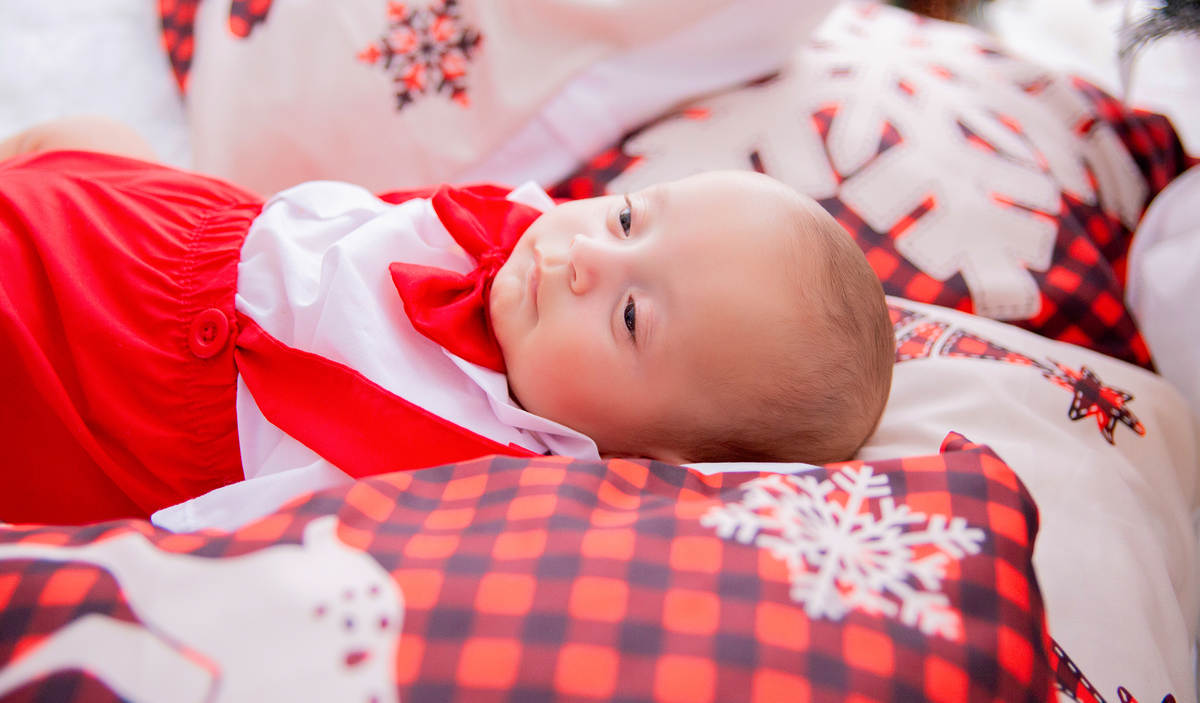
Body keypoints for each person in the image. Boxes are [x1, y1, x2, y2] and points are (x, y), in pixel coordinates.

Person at [0, 116, 894, 528]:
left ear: (644, 458)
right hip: (191, 227)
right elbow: (345, 227)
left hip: (120, 381)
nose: (587, 254)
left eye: (630, 316)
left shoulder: (498, 480)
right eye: (628, 218)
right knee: (81, 139)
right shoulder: (531, 234)